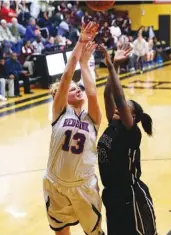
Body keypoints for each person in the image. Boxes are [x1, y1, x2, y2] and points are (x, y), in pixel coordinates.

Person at [43, 22, 104, 235]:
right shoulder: (60, 112)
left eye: (78, 88)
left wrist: (86, 66)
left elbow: (92, 91)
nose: (77, 89)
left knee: (94, 232)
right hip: (55, 183)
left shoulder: (93, 118)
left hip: (84, 185)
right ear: (61, 97)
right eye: (71, 90)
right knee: (61, 230)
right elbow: (68, 73)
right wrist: (80, 42)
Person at [96, 43, 157, 235]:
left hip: (129, 194)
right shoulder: (113, 124)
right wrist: (115, 64)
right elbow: (108, 94)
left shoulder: (132, 133)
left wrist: (113, 67)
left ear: (133, 118)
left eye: (123, 110)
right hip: (112, 193)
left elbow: (119, 97)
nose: (116, 109)